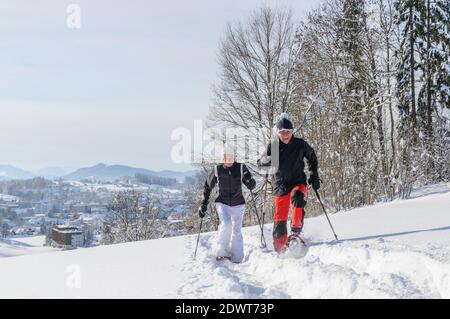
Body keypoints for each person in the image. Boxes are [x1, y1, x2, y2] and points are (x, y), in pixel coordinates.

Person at [258, 113, 320, 253]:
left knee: (298, 197)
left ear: (292, 132)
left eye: (288, 132)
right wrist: (265, 161)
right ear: (278, 133)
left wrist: (314, 175)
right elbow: (260, 164)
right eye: (282, 132)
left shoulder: (300, 144)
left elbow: (312, 157)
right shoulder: (273, 146)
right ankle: (280, 248)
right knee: (280, 216)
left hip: (297, 181)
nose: (285, 135)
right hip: (280, 184)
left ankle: (296, 233)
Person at [199, 146, 256, 263]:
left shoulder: (241, 167)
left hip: (238, 203)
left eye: (231, 157)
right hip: (222, 203)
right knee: (226, 224)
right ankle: (222, 251)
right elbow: (207, 187)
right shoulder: (217, 170)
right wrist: (204, 204)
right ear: (222, 158)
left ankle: (237, 256)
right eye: (226, 157)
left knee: (237, 230)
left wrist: (250, 182)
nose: (229, 159)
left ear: (234, 157)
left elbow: (250, 183)